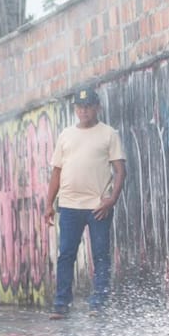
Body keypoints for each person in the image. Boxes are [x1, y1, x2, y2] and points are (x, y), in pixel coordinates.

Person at [45, 87, 126, 319]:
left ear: (97, 108)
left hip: (98, 206)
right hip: (69, 205)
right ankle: (61, 305)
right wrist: (48, 204)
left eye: (88, 106)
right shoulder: (66, 135)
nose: (84, 111)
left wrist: (111, 200)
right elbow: (56, 173)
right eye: (80, 107)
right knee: (66, 255)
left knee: (100, 255)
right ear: (75, 109)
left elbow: (120, 170)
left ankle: (98, 304)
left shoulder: (109, 134)